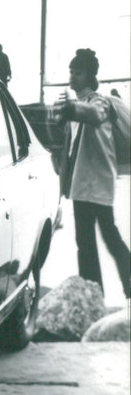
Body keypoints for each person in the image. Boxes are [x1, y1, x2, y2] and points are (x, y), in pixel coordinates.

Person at [59, 48, 130, 299]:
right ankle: (92, 299)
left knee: (110, 239)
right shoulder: (76, 106)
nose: (72, 76)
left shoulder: (99, 101)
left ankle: (128, 289)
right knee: (85, 245)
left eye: (78, 72)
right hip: (81, 185)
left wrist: (71, 110)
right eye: (71, 71)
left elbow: (94, 114)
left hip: (98, 183)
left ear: (90, 76)